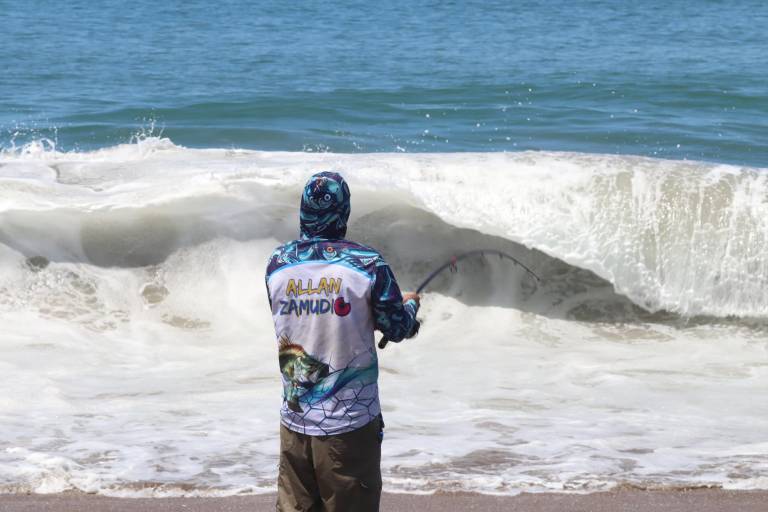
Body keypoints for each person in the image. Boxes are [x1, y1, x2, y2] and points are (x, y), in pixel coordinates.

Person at [265, 171, 420, 512]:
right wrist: (411, 305)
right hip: (347, 425)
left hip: (295, 422)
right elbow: (396, 327)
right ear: (344, 212)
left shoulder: (277, 265)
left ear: (303, 211)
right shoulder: (368, 266)